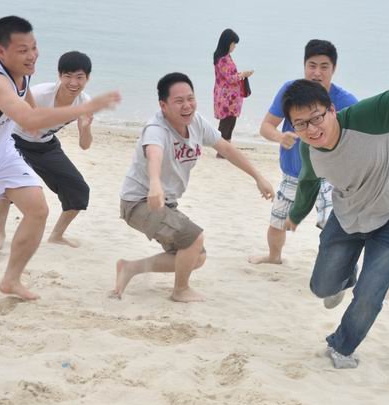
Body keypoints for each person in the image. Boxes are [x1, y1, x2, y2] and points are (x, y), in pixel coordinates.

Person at [283, 19, 389, 368]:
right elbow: (308, 182)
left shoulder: (372, 117)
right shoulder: (308, 148)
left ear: (331, 110)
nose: (311, 129)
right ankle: (344, 275)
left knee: (369, 293)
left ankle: (342, 346)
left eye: (316, 118)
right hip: (349, 215)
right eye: (300, 124)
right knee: (322, 287)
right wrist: (296, 215)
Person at [0, 16, 120, 300]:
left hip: (1, 150)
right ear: (1, 51)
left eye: (34, 47)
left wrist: (43, 121)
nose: (32, 55)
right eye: (23, 50)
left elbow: (29, 110)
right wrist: (85, 108)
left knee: (37, 209)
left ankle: (11, 280)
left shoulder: (23, 71)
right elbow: (27, 118)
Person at [113, 72, 274, 302]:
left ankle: (130, 268)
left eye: (191, 98)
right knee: (194, 238)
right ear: (163, 105)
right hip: (140, 201)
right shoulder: (156, 129)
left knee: (196, 257)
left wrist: (258, 177)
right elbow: (154, 155)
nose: (187, 105)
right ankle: (180, 291)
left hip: (165, 202)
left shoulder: (196, 122)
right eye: (179, 101)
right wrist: (155, 184)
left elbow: (226, 149)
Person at [249, 39, 357, 265]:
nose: (317, 72)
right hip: (293, 173)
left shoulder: (346, 101)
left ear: (334, 69)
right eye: (312, 65)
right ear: (304, 65)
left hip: (330, 176)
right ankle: (274, 257)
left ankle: (342, 266)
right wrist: (281, 137)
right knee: (278, 221)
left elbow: (360, 137)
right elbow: (266, 126)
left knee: (332, 223)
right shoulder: (290, 91)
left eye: (324, 67)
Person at [0, 51, 96, 250]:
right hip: (15, 141)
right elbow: (6, 111)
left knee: (79, 189)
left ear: (87, 78)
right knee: (7, 187)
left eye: (80, 77)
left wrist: (86, 127)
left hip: (45, 145)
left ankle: (56, 236)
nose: (73, 83)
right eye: (68, 76)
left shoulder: (85, 104)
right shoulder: (40, 94)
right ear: (59, 75)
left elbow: (85, 145)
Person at [213, 28, 253, 158]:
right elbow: (230, 78)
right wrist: (243, 74)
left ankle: (225, 150)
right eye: (233, 43)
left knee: (229, 123)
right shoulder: (223, 59)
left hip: (229, 97)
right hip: (226, 97)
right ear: (228, 43)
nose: (234, 46)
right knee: (227, 124)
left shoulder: (225, 56)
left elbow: (229, 76)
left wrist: (241, 74)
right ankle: (222, 151)